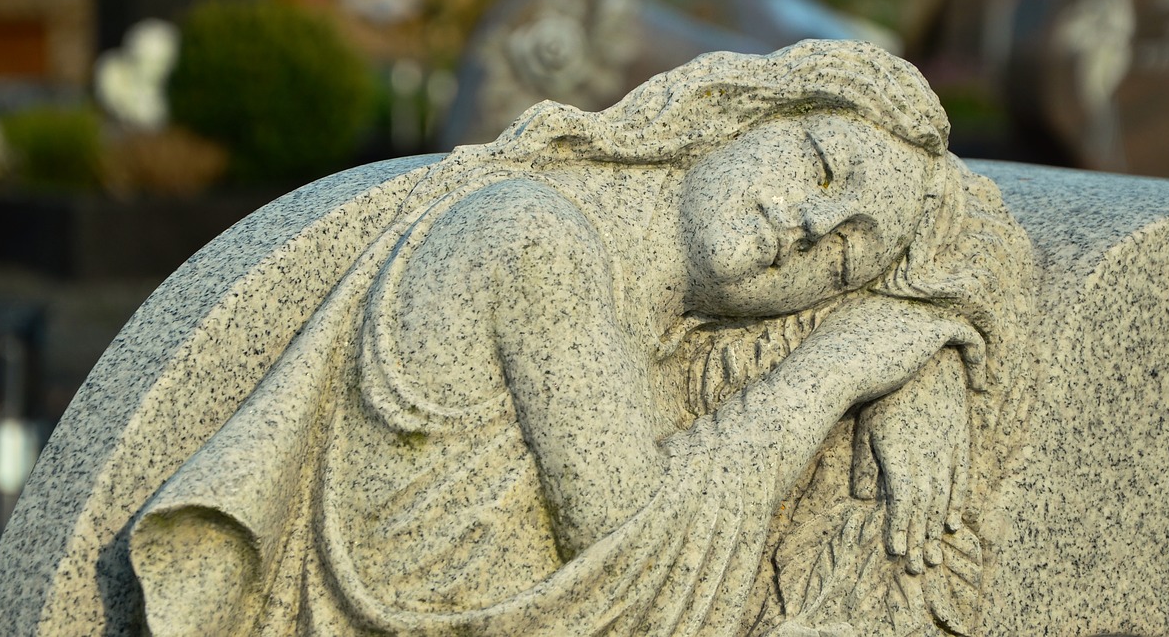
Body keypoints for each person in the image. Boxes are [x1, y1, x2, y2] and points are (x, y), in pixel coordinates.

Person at [128, 40, 1032, 636]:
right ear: (749, 113)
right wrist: (840, 368)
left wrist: (925, 368)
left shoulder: (667, 327)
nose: (810, 226)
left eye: (845, 260)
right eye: (820, 164)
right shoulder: (537, 240)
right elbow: (637, 561)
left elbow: (983, 270)